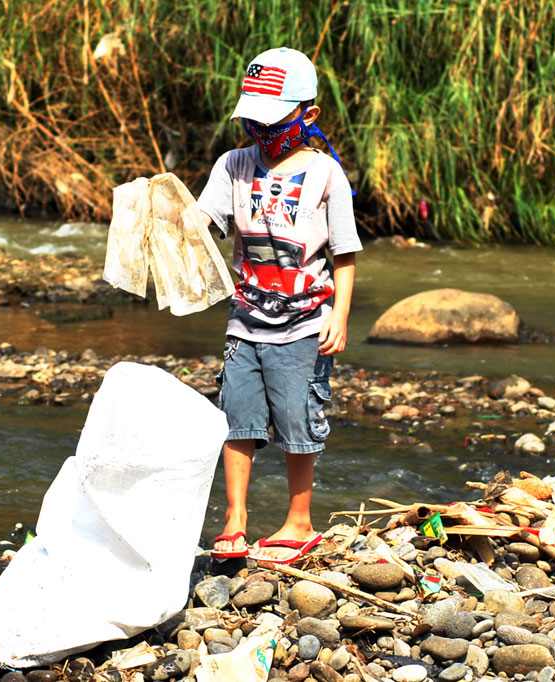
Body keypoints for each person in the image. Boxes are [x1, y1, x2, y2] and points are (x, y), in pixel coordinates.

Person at [197, 47, 361, 564]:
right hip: (245, 318)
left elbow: (346, 255)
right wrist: (173, 218)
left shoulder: (327, 176)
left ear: (307, 116)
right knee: (237, 419)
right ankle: (236, 518)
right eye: (252, 119)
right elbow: (204, 225)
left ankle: (299, 521)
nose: (259, 130)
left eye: (272, 120)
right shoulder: (234, 165)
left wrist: (340, 315)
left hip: (305, 323)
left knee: (298, 420)